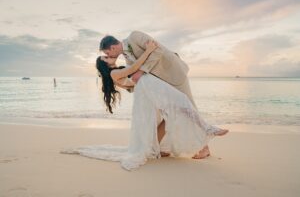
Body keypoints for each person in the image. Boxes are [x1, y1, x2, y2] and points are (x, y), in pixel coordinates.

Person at [60, 40, 228, 170]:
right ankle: (206, 128)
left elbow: (133, 79)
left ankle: (159, 148)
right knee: (181, 104)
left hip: (149, 88)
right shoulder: (114, 73)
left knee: (173, 113)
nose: (108, 56)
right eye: (105, 57)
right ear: (104, 64)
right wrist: (148, 51)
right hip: (148, 88)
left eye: (106, 54)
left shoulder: (118, 70)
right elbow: (135, 68)